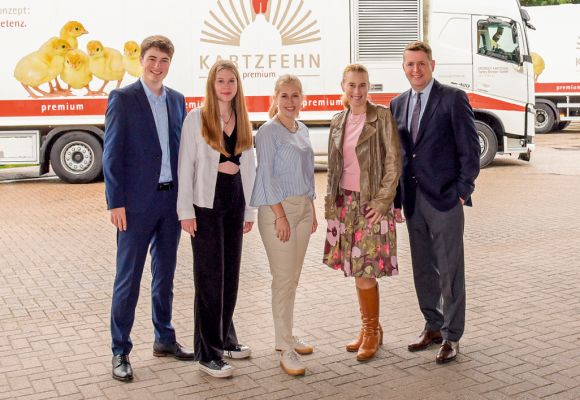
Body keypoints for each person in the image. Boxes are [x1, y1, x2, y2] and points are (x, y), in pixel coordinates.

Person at [103, 35, 193, 382]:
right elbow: (111, 154)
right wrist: (116, 202)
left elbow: (182, 150)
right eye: (152, 59)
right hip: (135, 206)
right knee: (128, 279)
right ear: (142, 60)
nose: (158, 66)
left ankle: (164, 338)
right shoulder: (123, 98)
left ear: (170, 64)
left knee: (165, 274)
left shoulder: (177, 100)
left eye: (164, 61)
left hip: (170, 203)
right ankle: (120, 350)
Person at [390, 41, 480, 364]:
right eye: (410, 64)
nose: (415, 70)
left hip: (445, 199)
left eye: (421, 64)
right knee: (423, 269)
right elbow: (398, 157)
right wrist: (397, 200)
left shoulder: (453, 98)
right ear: (404, 67)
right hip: (413, 201)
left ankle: (452, 335)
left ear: (432, 65)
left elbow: (470, 151)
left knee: (450, 270)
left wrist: (461, 190)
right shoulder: (397, 104)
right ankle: (433, 325)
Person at [177, 60, 256, 378]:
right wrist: (185, 211)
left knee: (230, 276)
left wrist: (250, 210)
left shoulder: (243, 119)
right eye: (220, 81)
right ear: (212, 84)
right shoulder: (196, 118)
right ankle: (208, 353)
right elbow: (186, 166)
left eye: (231, 81)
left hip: (235, 202)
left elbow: (250, 167)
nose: (226, 86)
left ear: (238, 85)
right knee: (210, 279)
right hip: (205, 206)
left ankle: (224, 339)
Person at [323, 64, 402, 362]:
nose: (357, 91)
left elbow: (393, 162)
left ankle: (370, 332)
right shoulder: (337, 120)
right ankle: (371, 327)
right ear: (343, 86)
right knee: (357, 270)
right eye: (352, 85)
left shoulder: (381, 117)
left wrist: (383, 202)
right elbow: (333, 168)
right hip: (346, 203)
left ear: (369, 87)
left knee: (365, 270)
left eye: (362, 85)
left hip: (371, 204)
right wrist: (331, 206)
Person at [250, 75, 317, 376]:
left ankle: (287, 334)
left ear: (302, 99)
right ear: (275, 99)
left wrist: (311, 209)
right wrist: (279, 216)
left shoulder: (302, 129)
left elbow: (307, 172)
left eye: (295, 96)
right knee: (283, 279)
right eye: (285, 96)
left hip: (302, 209)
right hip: (278, 210)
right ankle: (283, 347)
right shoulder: (268, 131)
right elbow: (265, 174)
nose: (290, 102)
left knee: (293, 278)